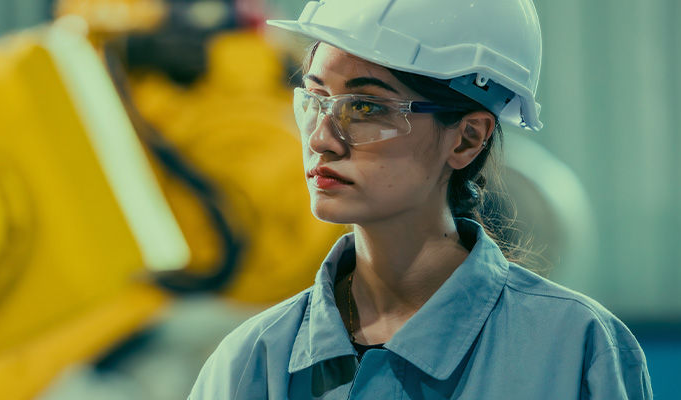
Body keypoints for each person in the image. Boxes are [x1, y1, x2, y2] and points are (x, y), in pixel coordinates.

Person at [188, 0, 652, 398]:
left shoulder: (573, 350)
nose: (322, 138)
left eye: (365, 107)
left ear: (467, 139)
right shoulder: (252, 360)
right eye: (315, 98)